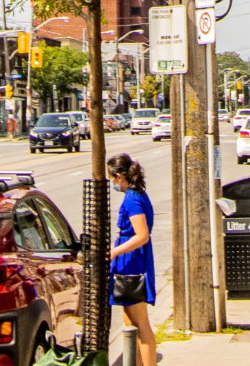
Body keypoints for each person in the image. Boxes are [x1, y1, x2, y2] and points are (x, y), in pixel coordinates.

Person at [107, 153, 157, 366]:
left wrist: (115, 252)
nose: (112, 183)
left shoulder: (133, 198)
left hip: (133, 262)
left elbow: (142, 234)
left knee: (140, 322)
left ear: (119, 176)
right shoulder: (137, 195)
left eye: (112, 179)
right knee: (130, 320)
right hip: (130, 260)